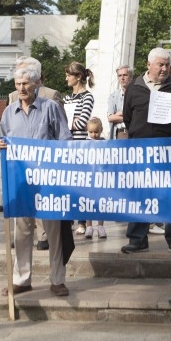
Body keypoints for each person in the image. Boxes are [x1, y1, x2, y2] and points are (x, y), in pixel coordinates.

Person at [0, 63, 73, 297]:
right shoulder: (9, 112)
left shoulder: (50, 108)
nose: (21, 88)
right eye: (18, 84)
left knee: (53, 231)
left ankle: (57, 279)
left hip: (47, 179)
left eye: (26, 84)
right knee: (22, 231)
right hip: (21, 182)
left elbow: (65, 139)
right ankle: (22, 278)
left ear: (37, 83)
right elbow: (3, 140)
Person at [121, 47, 171, 255]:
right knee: (140, 194)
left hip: (169, 152)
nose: (164, 68)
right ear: (149, 65)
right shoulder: (134, 88)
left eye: (167, 65)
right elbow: (128, 118)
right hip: (140, 152)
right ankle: (137, 238)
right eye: (160, 64)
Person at [64, 61, 94, 235]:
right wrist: (69, 123)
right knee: (68, 184)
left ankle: (82, 221)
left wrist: (69, 122)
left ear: (79, 77)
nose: (66, 78)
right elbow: (64, 122)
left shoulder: (87, 96)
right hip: (67, 145)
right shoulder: (67, 98)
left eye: (69, 74)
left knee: (81, 184)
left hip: (80, 146)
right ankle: (69, 219)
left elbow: (82, 122)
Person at [82, 117, 106, 240]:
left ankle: (100, 226)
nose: (93, 134)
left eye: (96, 132)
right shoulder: (84, 143)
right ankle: (89, 226)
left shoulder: (105, 143)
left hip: (100, 178)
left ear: (101, 130)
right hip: (88, 178)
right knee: (88, 202)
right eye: (91, 132)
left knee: (101, 202)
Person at [106, 65, 132, 140]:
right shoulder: (113, 96)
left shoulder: (137, 94)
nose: (122, 78)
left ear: (131, 76)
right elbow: (110, 118)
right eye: (119, 76)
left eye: (125, 75)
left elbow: (137, 116)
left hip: (133, 133)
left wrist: (120, 113)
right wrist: (128, 115)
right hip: (119, 133)